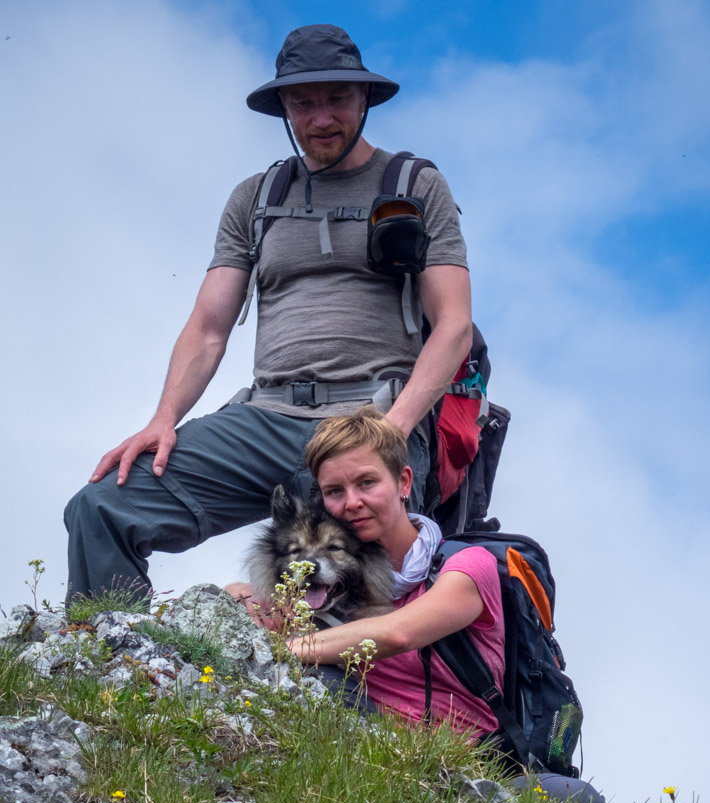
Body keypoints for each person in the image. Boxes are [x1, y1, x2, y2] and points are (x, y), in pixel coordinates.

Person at [64, 24, 471, 605]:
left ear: (364, 99)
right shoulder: (256, 198)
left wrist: (392, 430)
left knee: (332, 553)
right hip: (266, 414)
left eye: (336, 99)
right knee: (104, 504)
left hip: (370, 414)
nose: (321, 118)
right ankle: (115, 667)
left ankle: (342, 684)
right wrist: (163, 419)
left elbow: (453, 325)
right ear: (284, 106)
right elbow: (208, 329)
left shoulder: (413, 186)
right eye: (304, 103)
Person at [229, 407, 609, 803]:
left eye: (367, 483)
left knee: (581, 802)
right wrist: (243, 595)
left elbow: (398, 634)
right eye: (335, 491)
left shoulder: (466, 567)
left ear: (404, 482)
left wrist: (288, 647)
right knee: (323, 677)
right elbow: (246, 592)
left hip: (478, 769)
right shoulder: (325, 588)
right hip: (377, 754)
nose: (352, 502)